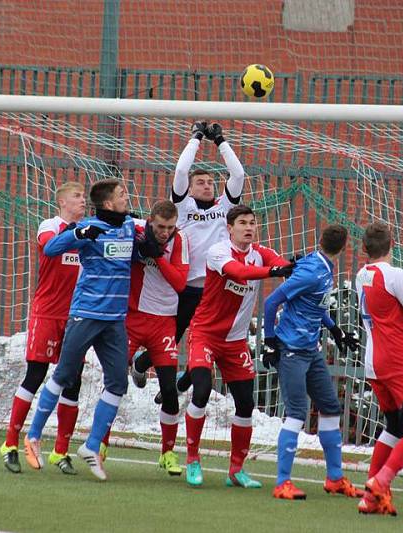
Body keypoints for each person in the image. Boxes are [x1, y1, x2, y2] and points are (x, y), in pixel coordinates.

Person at [23, 178, 135, 481]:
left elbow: (155, 232)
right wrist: (79, 232)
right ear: (109, 203)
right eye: (122, 195)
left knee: (117, 383)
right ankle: (33, 436)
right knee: (63, 375)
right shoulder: (88, 227)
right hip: (86, 314)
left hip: (114, 320)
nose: (127, 198)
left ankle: (91, 445)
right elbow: (50, 249)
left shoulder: (130, 226)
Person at [132, 121, 246, 404]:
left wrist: (220, 141)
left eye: (210, 182)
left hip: (216, 288)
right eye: (201, 183)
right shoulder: (183, 208)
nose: (207, 186)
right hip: (186, 287)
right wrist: (196, 139)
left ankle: (179, 387)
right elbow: (182, 170)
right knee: (176, 335)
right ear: (190, 189)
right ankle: (142, 364)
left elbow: (239, 173)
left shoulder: (225, 207)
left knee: (205, 345)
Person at [182, 205, 293, 488]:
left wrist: (294, 267)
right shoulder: (218, 252)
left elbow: (281, 264)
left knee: (246, 404)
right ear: (229, 228)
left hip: (235, 342)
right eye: (242, 222)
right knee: (203, 391)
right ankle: (192, 460)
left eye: (252, 223)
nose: (248, 227)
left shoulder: (261, 252)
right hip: (205, 334)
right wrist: (274, 270)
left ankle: (236, 471)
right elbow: (238, 272)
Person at [263, 224, 364, 501]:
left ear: (320, 241)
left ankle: (334, 479)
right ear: (346, 247)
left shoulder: (320, 264)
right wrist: (270, 341)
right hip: (292, 349)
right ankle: (282, 483)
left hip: (311, 349)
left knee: (331, 408)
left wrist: (334, 330)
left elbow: (314, 306)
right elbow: (271, 302)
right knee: (296, 413)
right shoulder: (312, 271)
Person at [0, 181, 86, 474]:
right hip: (47, 314)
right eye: (77, 196)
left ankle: (60, 451)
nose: (82, 200)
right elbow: (50, 246)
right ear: (62, 202)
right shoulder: (49, 225)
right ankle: (10, 443)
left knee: (74, 381)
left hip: (76, 317)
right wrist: (80, 233)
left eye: (84, 197)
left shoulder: (90, 230)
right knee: (36, 375)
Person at [353, 222, 403, 514]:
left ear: (364, 250)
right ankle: (377, 489)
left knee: (395, 426)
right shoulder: (395, 274)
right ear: (392, 246)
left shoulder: (362, 275)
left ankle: (370, 490)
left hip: (373, 361)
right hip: (397, 361)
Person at [125, 200, 189, 476]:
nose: (165, 232)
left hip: (164, 321)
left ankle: (167, 454)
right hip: (133, 317)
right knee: (114, 381)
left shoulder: (180, 240)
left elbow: (180, 283)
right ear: (150, 221)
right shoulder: (136, 228)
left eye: (170, 227)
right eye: (160, 227)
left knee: (169, 389)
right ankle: (100, 445)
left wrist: (158, 256)